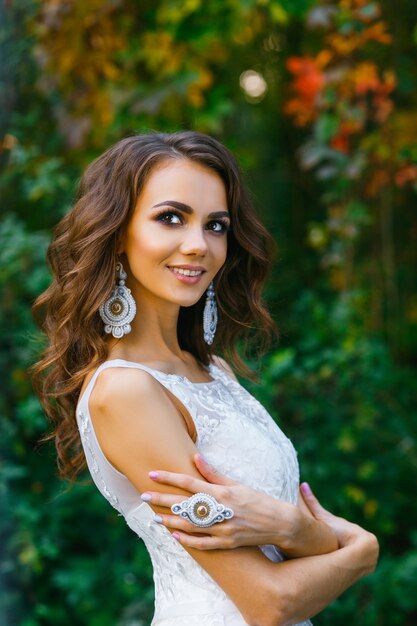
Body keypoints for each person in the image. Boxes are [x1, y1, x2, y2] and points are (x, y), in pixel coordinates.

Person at [32, 131, 379, 626]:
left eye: (215, 225)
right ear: (116, 234)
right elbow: (269, 602)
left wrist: (294, 530)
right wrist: (360, 550)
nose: (198, 245)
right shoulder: (125, 392)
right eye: (170, 218)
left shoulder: (211, 371)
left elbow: (293, 556)